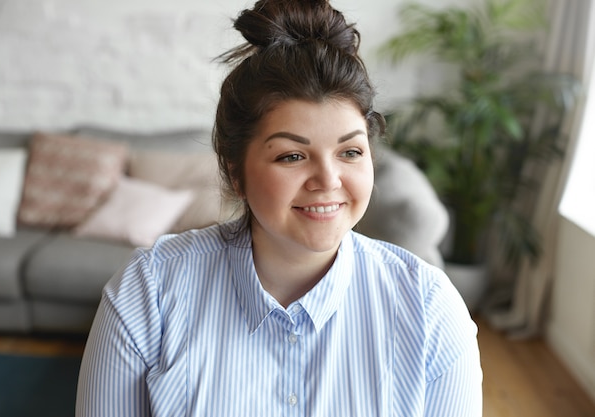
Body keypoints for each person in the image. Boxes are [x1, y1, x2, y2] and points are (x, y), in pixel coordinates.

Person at [75, 0, 483, 416]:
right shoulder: (149, 292)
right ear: (236, 173)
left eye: (350, 151)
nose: (328, 180)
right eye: (292, 156)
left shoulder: (429, 307)